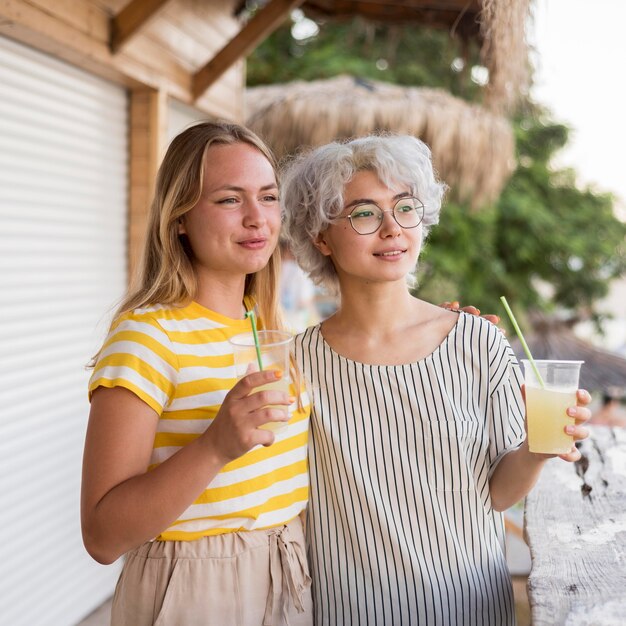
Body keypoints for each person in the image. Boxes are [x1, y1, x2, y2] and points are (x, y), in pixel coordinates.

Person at [281, 134, 592, 626]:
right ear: (321, 235)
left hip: (470, 608)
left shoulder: (479, 343)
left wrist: (537, 447)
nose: (391, 229)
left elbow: (497, 494)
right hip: (349, 612)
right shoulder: (294, 364)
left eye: (405, 208)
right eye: (364, 213)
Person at [81, 122, 312, 625]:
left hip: (288, 571)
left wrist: (440, 329)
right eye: (230, 200)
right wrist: (215, 446)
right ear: (179, 217)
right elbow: (101, 536)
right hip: (194, 588)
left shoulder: (270, 328)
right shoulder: (147, 337)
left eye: (268, 197)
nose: (257, 218)